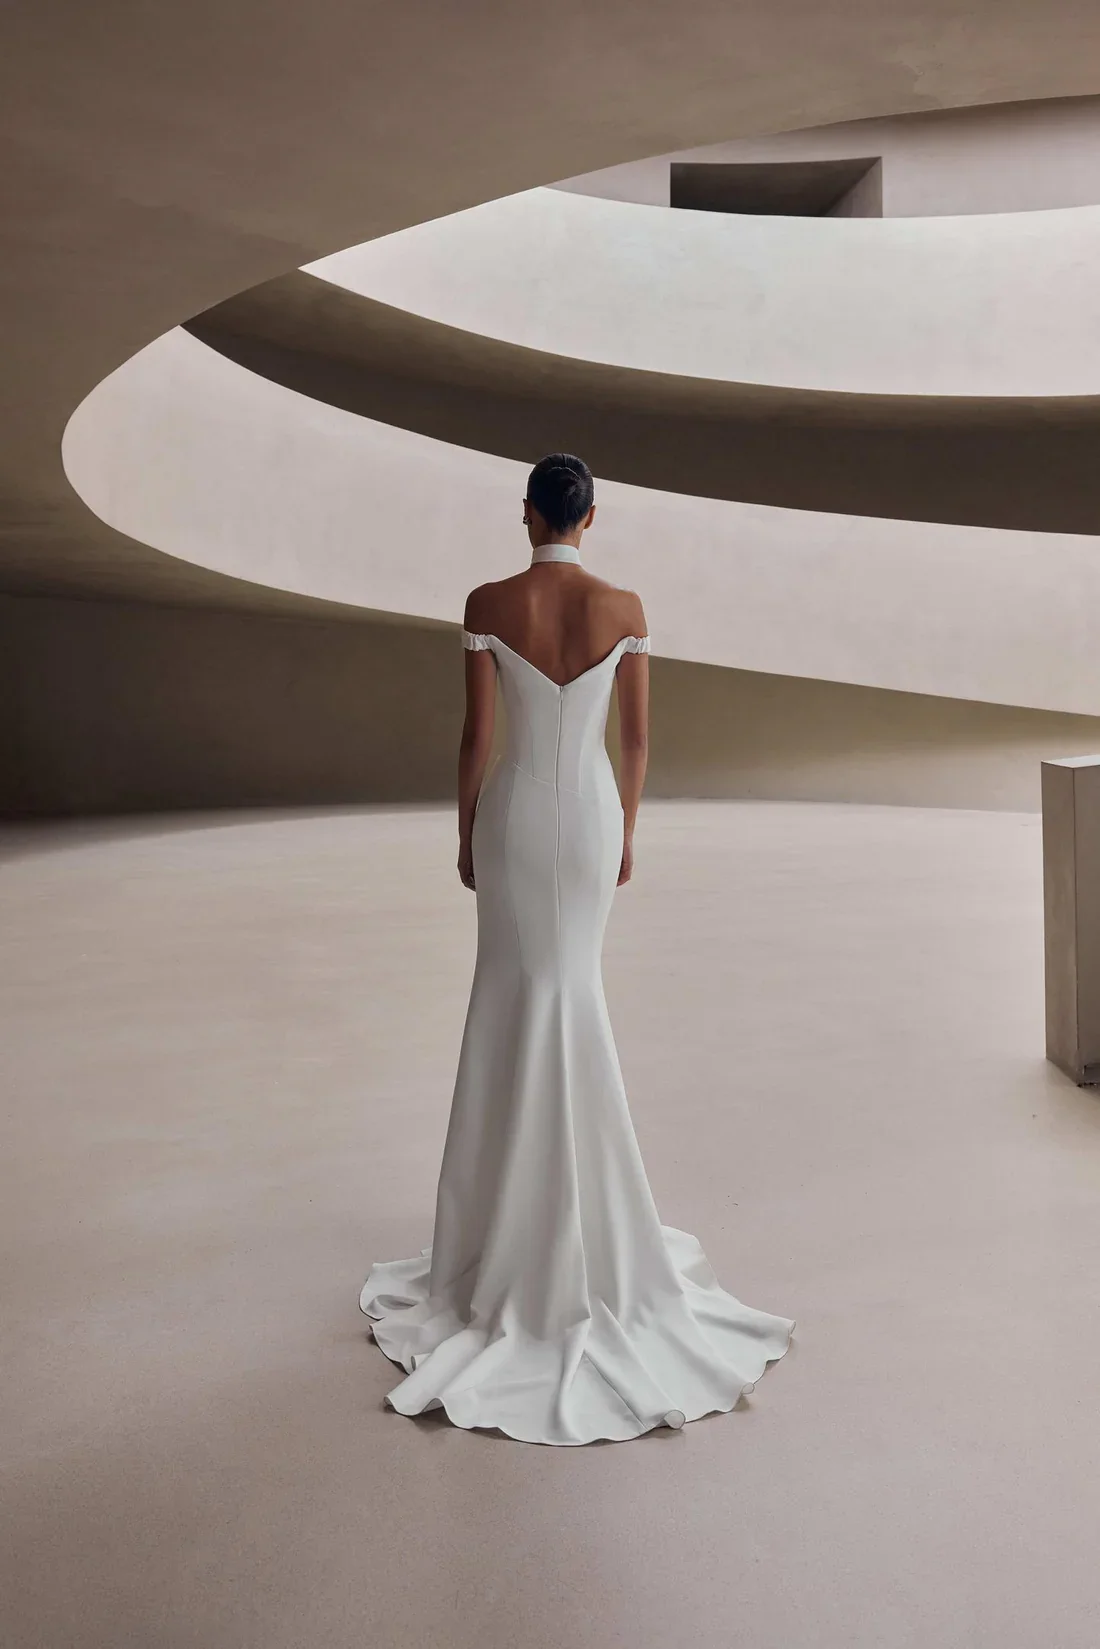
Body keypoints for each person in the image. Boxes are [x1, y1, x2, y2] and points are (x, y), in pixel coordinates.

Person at [360, 454, 794, 1444]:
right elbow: (633, 742)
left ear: (526, 515)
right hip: (589, 817)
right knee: (574, 996)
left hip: (516, 817)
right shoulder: (624, 602)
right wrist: (626, 830)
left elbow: (477, 739)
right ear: (589, 517)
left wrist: (466, 831)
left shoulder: (486, 598)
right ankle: (584, 1234)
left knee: (510, 1000)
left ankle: (499, 1240)